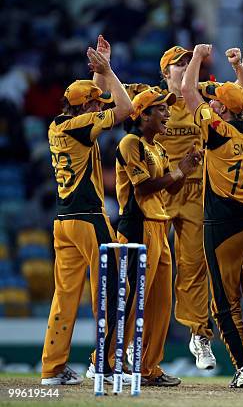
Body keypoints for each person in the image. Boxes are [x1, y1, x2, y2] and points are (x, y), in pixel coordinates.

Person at [93, 35, 217, 370]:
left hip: (194, 191)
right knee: (145, 274)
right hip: (156, 190)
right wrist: (104, 65)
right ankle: (132, 342)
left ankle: (198, 334)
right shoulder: (148, 96)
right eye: (180, 62)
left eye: (190, 61)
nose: (187, 66)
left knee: (193, 264)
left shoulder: (204, 92)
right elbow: (103, 95)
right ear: (166, 71)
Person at [182, 44, 243, 388]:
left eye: (216, 101)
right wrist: (240, 69)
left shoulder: (216, 131)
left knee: (226, 302)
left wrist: (196, 58)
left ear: (222, 108)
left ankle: (242, 368)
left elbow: (186, 91)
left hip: (222, 224)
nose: (210, 102)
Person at [41, 48, 133, 385]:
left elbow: (95, 104)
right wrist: (109, 70)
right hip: (89, 220)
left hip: (63, 222)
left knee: (65, 296)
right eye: (95, 103)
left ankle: (52, 369)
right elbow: (126, 108)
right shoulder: (81, 125)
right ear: (83, 108)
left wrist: (96, 72)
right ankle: (106, 364)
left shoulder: (58, 125)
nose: (100, 106)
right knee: (110, 289)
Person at [116, 88, 202, 386]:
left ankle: (148, 367)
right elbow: (143, 188)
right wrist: (178, 173)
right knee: (133, 299)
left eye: (167, 109)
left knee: (161, 303)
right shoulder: (130, 143)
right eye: (161, 110)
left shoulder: (160, 149)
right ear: (143, 115)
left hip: (159, 226)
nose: (167, 114)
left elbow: (171, 188)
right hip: (137, 227)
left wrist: (186, 168)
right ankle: (109, 360)